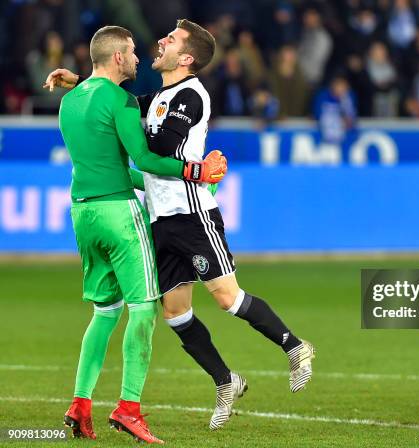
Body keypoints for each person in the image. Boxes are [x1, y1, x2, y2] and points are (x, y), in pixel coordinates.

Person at [46, 19, 315, 431]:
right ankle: (226, 381)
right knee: (174, 313)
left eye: (170, 40)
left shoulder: (191, 94)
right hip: (159, 217)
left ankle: (295, 347)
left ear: (185, 57)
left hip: (191, 214)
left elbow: (163, 145)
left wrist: (192, 168)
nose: (160, 42)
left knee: (227, 297)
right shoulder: (158, 95)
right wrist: (83, 83)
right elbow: (113, 99)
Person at [53, 25, 224, 443]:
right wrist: (195, 172)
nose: (136, 58)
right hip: (119, 216)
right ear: (116, 58)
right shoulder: (123, 100)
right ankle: (129, 408)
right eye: (129, 53)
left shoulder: (70, 101)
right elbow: (145, 157)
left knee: (105, 313)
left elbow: (108, 166)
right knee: (145, 311)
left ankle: (80, 404)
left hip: (83, 213)